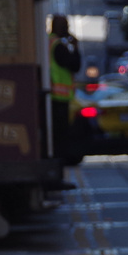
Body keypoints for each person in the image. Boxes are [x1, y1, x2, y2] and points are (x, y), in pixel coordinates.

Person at [48, 14, 79, 160]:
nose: (68, 29)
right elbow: (75, 65)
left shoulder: (48, 42)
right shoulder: (59, 46)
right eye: (65, 26)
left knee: (54, 137)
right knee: (61, 138)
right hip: (59, 98)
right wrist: (76, 47)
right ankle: (58, 169)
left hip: (51, 97)